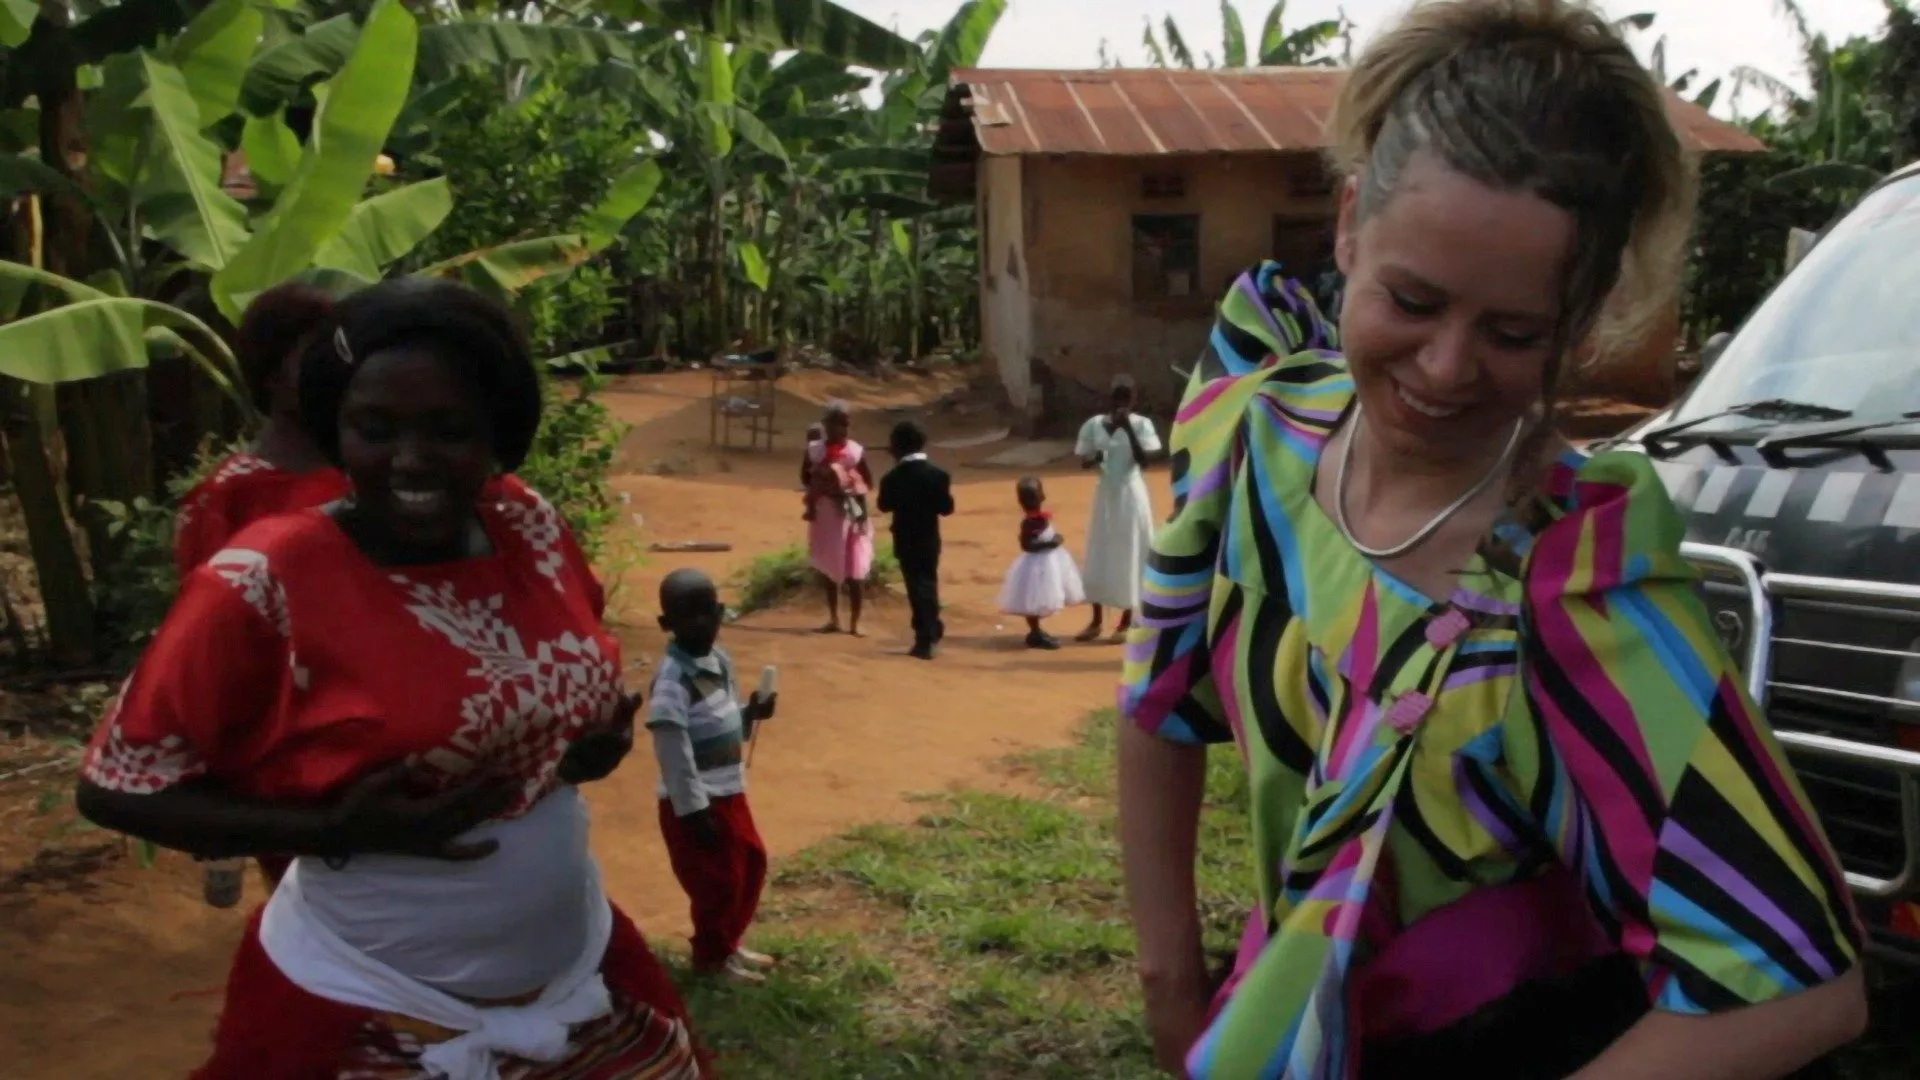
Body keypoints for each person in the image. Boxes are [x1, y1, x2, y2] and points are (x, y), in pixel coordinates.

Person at [1116, 3, 1867, 1080]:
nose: (1444, 369)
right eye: (1411, 300)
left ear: (1584, 318)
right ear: (1348, 227)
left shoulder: (1570, 588)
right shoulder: (1256, 428)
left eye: (1515, 333)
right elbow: (1160, 693)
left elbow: (1803, 986)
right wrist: (1172, 986)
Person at [74, 276, 705, 1080]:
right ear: (336, 428)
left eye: (448, 429)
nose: (410, 459)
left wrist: (569, 752)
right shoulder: (264, 574)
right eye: (375, 429)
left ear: (497, 431)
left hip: (576, 975)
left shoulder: (527, 524)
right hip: (372, 1006)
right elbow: (115, 789)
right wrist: (333, 830)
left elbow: (531, 684)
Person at [650, 568, 779, 984]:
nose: (700, 623)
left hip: (729, 789)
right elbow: (672, 749)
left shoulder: (719, 660)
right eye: (687, 616)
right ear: (667, 624)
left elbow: (721, 719)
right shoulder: (672, 680)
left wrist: (750, 713)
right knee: (717, 881)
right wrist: (692, 811)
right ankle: (711, 960)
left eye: (707, 612)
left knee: (750, 864)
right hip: (696, 801)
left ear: (721, 612)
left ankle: (728, 944)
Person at [173, 282, 351, 578]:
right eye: (318, 357)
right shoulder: (228, 497)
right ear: (273, 375)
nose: (336, 370)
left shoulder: (370, 476)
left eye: (340, 355)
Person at [1074, 375, 1161, 643]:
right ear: (1109, 398)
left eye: (1127, 397)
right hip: (1105, 496)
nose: (1122, 402)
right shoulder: (1094, 425)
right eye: (1117, 397)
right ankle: (1096, 620)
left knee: (1129, 552)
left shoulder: (1142, 425)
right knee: (1099, 552)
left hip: (1131, 495)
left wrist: (1129, 430)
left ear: (1134, 400)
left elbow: (1145, 462)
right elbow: (1084, 461)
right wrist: (1095, 459)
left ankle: (1125, 620)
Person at [876, 421, 955, 660]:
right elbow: (946, 508)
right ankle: (931, 628)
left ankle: (925, 635)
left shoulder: (892, 478)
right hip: (929, 538)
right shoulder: (938, 475)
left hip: (905, 538)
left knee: (915, 586)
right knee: (928, 582)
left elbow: (883, 505)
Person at [800, 402, 875, 635]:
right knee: (829, 565)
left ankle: (855, 622)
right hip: (826, 513)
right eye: (834, 423)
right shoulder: (815, 450)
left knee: (854, 567)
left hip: (851, 512)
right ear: (825, 424)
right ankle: (834, 618)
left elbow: (868, 481)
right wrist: (822, 480)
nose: (839, 428)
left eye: (843, 424)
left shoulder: (855, 451)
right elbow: (804, 477)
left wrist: (849, 482)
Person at [998, 476, 1084, 650]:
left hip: (1048, 564)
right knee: (1034, 599)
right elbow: (1026, 545)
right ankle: (1035, 633)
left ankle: (1036, 631)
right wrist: (1050, 543)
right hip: (1037, 566)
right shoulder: (1029, 523)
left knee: (1038, 599)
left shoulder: (1039, 519)